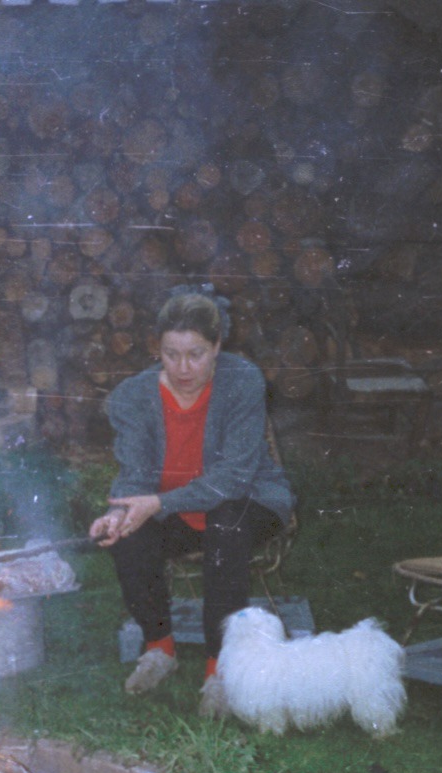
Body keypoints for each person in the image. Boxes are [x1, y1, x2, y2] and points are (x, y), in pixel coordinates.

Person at [89, 286, 295, 713]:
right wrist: (119, 512)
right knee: (130, 536)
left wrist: (157, 505)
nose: (183, 368)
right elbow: (136, 474)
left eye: (196, 354)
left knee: (227, 523)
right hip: (176, 509)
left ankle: (219, 668)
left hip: (249, 500)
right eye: (171, 354)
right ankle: (160, 647)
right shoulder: (133, 396)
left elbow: (234, 479)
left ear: (217, 346)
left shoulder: (242, 382)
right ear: (157, 349)